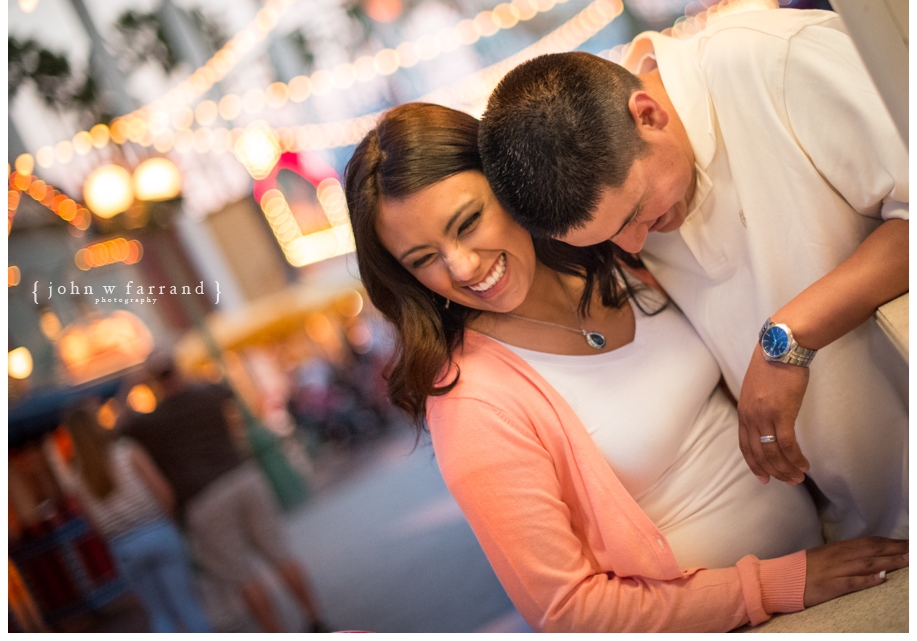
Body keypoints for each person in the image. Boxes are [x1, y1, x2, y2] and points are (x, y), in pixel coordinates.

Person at [343, 102, 907, 632]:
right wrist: (775, 585)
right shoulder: (472, 401)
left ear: (509, 188)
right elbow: (569, 609)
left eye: (468, 223)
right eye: (424, 260)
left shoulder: (614, 255)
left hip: (836, 548)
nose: (462, 267)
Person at [477, 8, 908, 544]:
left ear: (649, 115)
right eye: (609, 237)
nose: (635, 244)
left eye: (636, 213)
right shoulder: (630, 203)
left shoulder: (772, 60)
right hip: (865, 524)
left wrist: (789, 336)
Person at [121, 359, 330, 633]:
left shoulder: (154, 421)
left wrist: (130, 385)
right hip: (243, 478)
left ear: (154, 382)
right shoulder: (207, 394)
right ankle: (316, 620)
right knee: (281, 555)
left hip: (205, 498)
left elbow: (122, 427)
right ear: (178, 371)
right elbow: (224, 389)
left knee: (243, 577)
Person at [62, 404, 213, 633]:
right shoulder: (127, 451)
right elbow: (164, 492)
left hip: (123, 545)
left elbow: (92, 522)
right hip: (156, 529)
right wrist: (169, 523)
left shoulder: (77, 475)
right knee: (188, 605)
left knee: (160, 615)